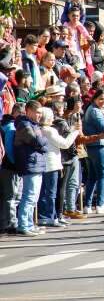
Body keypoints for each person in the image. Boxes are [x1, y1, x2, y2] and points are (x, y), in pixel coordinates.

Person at [37, 107, 79, 227]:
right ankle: (49, 216)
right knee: (51, 192)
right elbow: (64, 144)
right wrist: (75, 132)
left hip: (44, 164)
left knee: (45, 192)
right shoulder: (50, 130)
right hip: (52, 164)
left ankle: (46, 215)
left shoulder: (40, 129)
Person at [14, 101, 48, 236]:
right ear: (29, 111)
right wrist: (42, 141)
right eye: (37, 112)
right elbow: (38, 142)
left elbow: (42, 144)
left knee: (34, 197)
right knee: (28, 196)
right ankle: (23, 225)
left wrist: (42, 142)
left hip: (36, 163)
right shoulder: (24, 125)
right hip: (30, 163)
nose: (40, 115)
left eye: (40, 112)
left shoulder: (34, 125)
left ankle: (29, 223)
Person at [82, 89, 104, 214]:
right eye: (101, 99)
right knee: (103, 175)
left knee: (93, 176)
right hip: (99, 145)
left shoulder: (94, 109)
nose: (103, 102)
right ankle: (100, 204)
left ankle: (88, 205)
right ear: (94, 98)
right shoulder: (95, 111)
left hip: (94, 146)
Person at [0, 103, 25, 235]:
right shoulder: (11, 127)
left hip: (6, 166)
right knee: (12, 195)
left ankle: (6, 222)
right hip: (9, 167)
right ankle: (10, 223)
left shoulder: (6, 125)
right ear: (16, 113)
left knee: (8, 195)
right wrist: (16, 163)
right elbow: (9, 149)